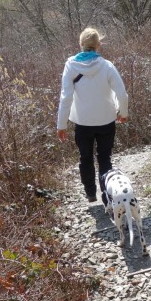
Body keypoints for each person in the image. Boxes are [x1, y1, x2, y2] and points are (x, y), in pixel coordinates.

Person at [57, 27, 129, 205]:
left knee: (85, 158)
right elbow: (122, 94)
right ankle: (107, 196)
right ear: (98, 45)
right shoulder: (107, 66)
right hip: (106, 120)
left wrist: (61, 124)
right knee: (104, 158)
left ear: (81, 44)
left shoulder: (71, 66)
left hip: (82, 122)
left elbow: (66, 97)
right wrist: (123, 112)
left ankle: (90, 193)